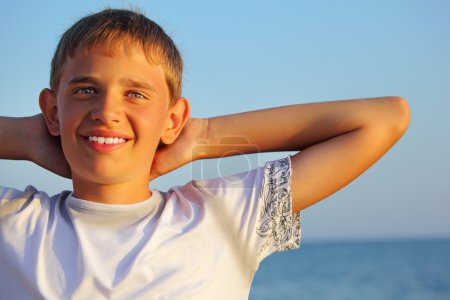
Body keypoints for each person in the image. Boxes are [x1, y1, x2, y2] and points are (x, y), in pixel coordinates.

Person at [0, 8, 410, 300]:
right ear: (52, 110)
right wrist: (27, 138)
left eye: (136, 94)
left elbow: (384, 119)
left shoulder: (223, 216)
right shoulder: (14, 222)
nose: (107, 111)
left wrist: (202, 137)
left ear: (173, 119)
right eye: (85, 90)